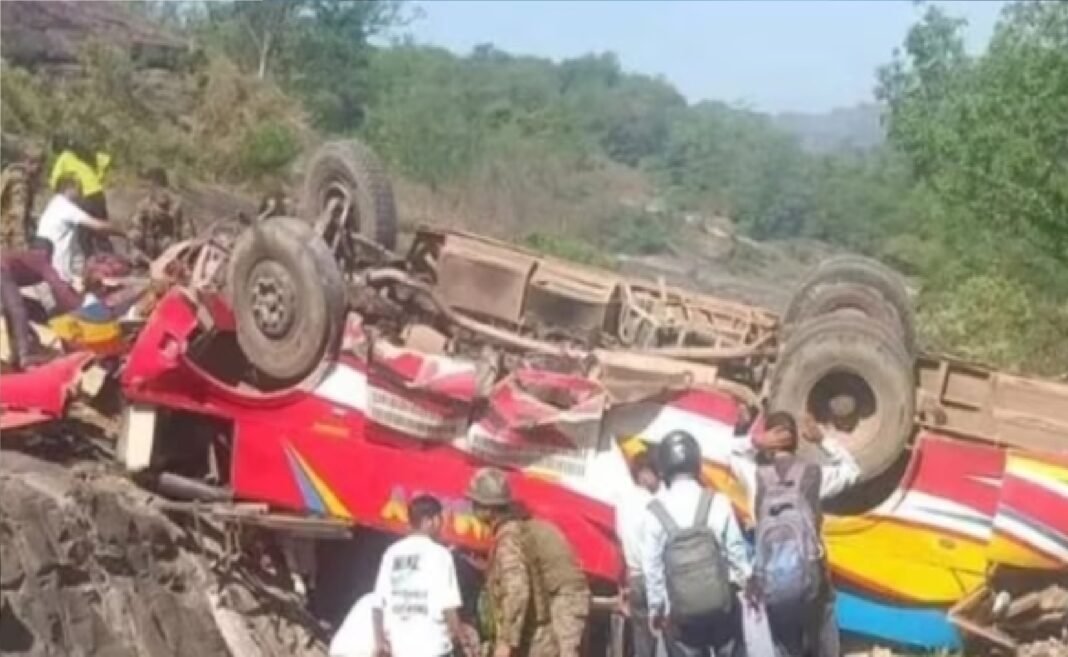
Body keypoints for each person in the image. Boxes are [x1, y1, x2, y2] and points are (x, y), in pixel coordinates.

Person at [728, 411, 861, 657]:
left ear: (769, 442)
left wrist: (755, 442)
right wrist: (822, 440)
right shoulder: (813, 475)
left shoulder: (755, 477)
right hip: (812, 576)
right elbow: (852, 470)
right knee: (823, 631)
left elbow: (729, 453)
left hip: (772, 579)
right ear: (797, 443)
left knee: (784, 644)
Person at [640, 432, 754, 657]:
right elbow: (735, 551)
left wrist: (656, 608)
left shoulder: (654, 512)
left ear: (663, 468)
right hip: (723, 607)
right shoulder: (717, 501)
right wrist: (747, 582)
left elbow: (652, 567)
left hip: (681, 616)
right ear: (696, 462)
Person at [467, 467, 589, 657]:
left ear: (488, 508)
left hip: (561, 605)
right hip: (554, 605)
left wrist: (506, 643)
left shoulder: (509, 536)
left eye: (475, 503)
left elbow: (517, 589)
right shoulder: (520, 526)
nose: (472, 508)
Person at [372, 494, 476, 657]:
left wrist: (380, 643)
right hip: (433, 647)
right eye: (440, 519)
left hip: (400, 649)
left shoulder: (391, 553)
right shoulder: (440, 555)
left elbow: (378, 604)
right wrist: (462, 642)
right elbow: (448, 606)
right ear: (430, 521)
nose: (442, 525)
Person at [0, 237, 86, 369]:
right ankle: (26, 355)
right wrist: (81, 309)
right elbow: (59, 288)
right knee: (17, 310)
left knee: (19, 309)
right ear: (47, 252)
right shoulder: (39, 258)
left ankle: (18, 353)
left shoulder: (25, 259)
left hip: (4, 276)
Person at [36, 174, 125, 283]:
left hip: (56, 267)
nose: (82, 193)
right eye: (79, 189)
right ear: (70, 188)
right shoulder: (65, 207)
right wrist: (123, 232)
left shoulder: (55, 204)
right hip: (60, 271)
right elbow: (98, 226)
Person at [614, 452, 661, 657]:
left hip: (634, 579)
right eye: (656, 474)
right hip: (654, 578)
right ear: (644, 473)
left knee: (642, 639)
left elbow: (619, 539)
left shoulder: (622, 503)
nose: (659, 480)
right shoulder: (654, 504)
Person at [49, 140, 113, 254]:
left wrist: (61, 196)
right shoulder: (85, 155)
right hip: (98, 194)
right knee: (102, 233)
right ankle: (110, 258)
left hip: (84, 196)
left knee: (84, 236)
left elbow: (54, 180)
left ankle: (89, 260)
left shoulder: (65, 157)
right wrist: (99, 176)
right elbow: (105, 160)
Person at [129, 167, 187, 260]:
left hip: (167, 242)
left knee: (170, 243)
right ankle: (141, 259)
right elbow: (136, 225)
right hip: (148, 241)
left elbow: (180, 231)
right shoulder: (144, 204)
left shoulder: (174, 204)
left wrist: (165, 216)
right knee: (134, 235)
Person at [1, 144, 45, 250]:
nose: (40, 170)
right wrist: (21, 245)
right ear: (29, 162)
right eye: (39, 165)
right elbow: (17, 214)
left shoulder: (9, 173)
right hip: (7, 236)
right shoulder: (20, 181)